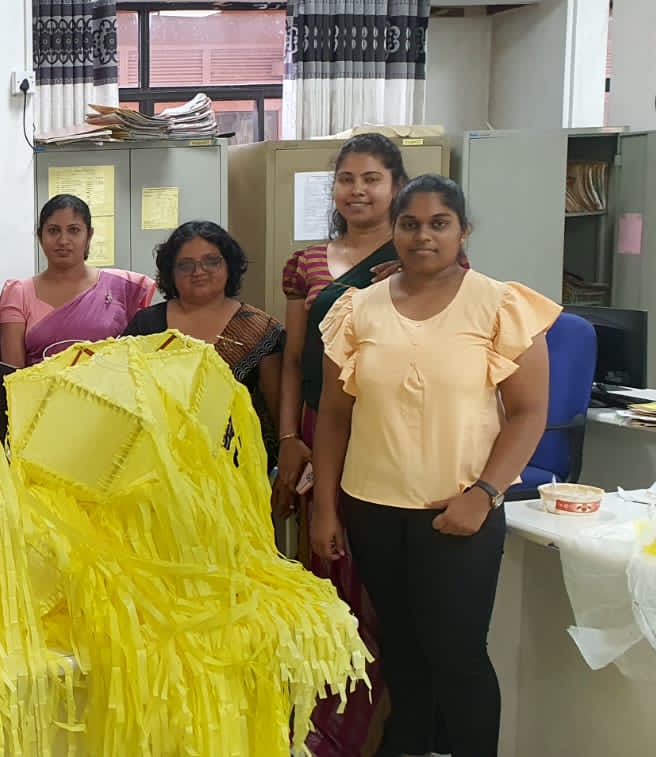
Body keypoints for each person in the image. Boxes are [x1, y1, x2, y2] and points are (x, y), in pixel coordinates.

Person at [312, 175, 557, 757]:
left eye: (439, 222)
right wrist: (325, 507)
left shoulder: (501, 305)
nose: (424, 235)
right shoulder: (356, 310)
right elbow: (333, 420)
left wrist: (485, 493)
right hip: (372, 507)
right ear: (393, 231)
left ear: (463, 231)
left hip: (459, 510)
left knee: (457, 656)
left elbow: (528, 413)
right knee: (400, 650)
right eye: (410, 223)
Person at [274, 132, 409, 757]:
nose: (358, 190)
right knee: (324, 579)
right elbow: (296, 356)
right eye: (347, 179)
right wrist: (288, 438)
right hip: (317, 422)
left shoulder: (423, 255)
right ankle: (323, 730)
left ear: (395, 185)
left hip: (387, 429)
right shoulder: (305, 263)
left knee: (381, 586)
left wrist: (404, 276)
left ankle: (385, 727)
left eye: (372, 178)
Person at [123, 221, 283, 467]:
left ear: (229, 265)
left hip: (238, 470)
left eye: (211, 261)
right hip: (159, 467)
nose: (198, 271)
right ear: (170, 273)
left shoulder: (262, 329)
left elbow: (277, 412)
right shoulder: (146, 325)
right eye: (186, 265)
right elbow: (123, 393)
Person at [0, 194, 157, 367]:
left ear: (89, 236)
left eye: (74, 230)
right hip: (40, 392)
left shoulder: (124, 287)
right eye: (53, 230)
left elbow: (140, 363)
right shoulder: (18, 293)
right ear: (40, 236)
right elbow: (12, 375)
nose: (63, 240)